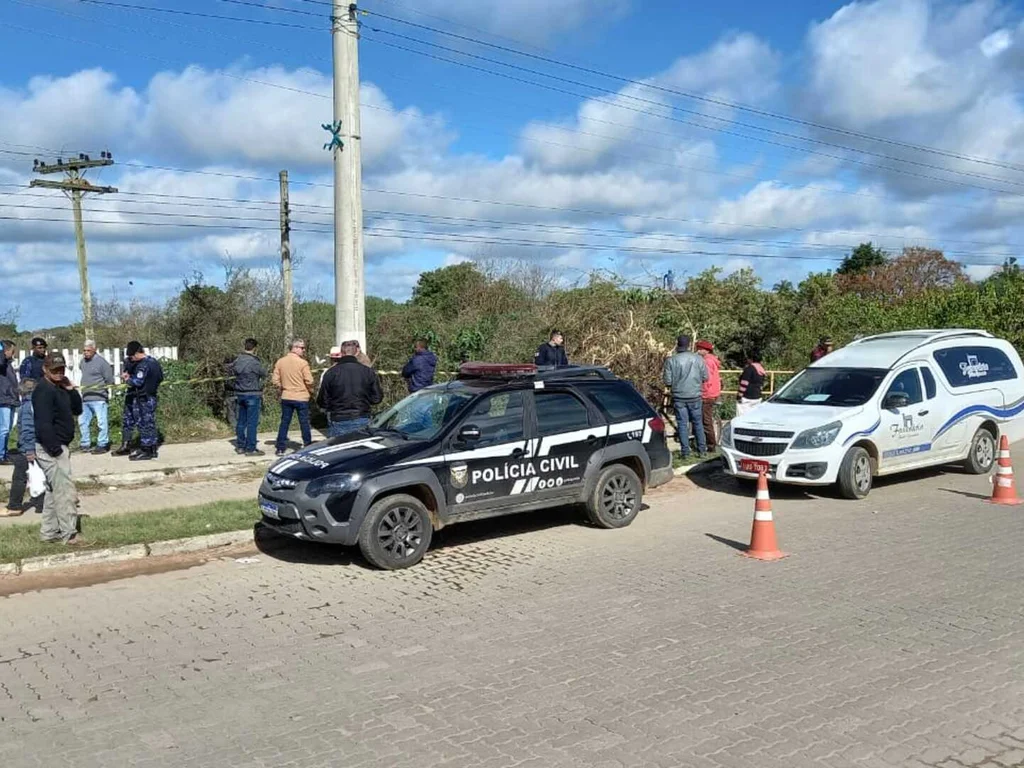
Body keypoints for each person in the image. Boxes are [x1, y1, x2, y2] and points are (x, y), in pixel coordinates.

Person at [32, 351, 84, 545]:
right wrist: (56, 450)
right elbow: (43, 424)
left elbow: (77, 409)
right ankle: (69, 534)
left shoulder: (60, 387)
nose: (59, 372)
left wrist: (71, 389)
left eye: (61, 369)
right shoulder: (43, 391)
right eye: (54, 369)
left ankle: (48, 533)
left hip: (60, 445)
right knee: (64, 492)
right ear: (45, 369)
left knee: (54, 491)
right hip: (50, 448)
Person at [316, 340, 383, 437]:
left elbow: (322, 401)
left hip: (338, 419)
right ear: (356, 352)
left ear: (342, 353)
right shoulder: (368, 372)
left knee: (340, 450)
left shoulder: (331, 373)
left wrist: (334, 406)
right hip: (361, 416)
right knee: (361, 451)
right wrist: (364, 401)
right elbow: (377, 398)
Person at [663, 335, 709, 459]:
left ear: (677, 344)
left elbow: (667, 381)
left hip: (679, 396)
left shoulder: (671, 360)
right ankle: (702, 450)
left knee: (682, 424)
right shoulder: (698, 359)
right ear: (689, 345)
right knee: (698, 423)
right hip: (695, 395)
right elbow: (705, 377)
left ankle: (685, 452)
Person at [2, 379, 41, 516]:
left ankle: (14, 506)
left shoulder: (27, 406)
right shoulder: (37, 403)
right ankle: (41, 503)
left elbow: (28, 429)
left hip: (29, 447)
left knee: (19, 476)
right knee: (40, 476)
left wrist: (28, 449)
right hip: (38, 445)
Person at [119, 341, 164, 461]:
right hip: (149, 395)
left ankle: (147, 449)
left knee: (145, 423)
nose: (131, 359)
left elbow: (137, 382)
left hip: (144, 398)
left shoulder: (144, 365)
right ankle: (150, 448)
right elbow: (160, 378)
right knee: (148, 423)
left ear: (138, 353)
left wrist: (127, 379)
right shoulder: (153, 362)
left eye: (132, 356)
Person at [272, 338, 314, 456]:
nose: (304, 350)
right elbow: (309, 380)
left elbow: (274, 379)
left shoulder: (280, 362)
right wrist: (310, 390)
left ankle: (280, 447)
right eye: (302, 347)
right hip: (301, 396)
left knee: (285, 422)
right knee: (304, 422)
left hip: (286, 396)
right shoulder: (303, 363)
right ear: (294, 348)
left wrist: (282, 386)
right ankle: (307, 444)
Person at [231, 338, 267, 456]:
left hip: (239, 394)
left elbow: (232, 372)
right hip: (252, 394)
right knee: (252, 423)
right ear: (255, 348)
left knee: (241, 421)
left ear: (244, 347)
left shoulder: (237, 360)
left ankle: (240, 446)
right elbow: (264, 373)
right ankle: (251, 448)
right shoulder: (254, 362)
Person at [78, 340, 115, 454]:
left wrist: (105, 390)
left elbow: (109, 379)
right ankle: (85, 443)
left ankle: (102, 444)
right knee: (83, 422)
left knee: (101, 423)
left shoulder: (102, 363)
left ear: (94, 350)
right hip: (86, 397)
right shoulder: (83, 362)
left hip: (99, 398)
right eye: (84, 350)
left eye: (88, 350)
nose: (85, 353)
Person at [695, 340, 721, 452]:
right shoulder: (712, 360)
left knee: (706, 420)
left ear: (705, 350)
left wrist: (701, 391)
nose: (697, 351)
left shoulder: (707, 361)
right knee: (706, 419)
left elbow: (706, 379)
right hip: (713, 392)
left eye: (699, 349)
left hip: (707, 394)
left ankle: (711, 445)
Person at [0, 339, 17, 465]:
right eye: (12, 351)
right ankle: (0, 456)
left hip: (10, 399)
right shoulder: (1, 363)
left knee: (8, 428)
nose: (13, 354)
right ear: (6, 351)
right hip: (3, 399)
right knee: (4, 429)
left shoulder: (8, 364)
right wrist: (1, 348)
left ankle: (4, 453)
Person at [736, 351, 767, 416]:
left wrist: (739, 395)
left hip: (747, 397)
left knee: (742, 416)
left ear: (751, 359)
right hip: (757, 396)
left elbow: (744, 384)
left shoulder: (749, 369)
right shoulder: (761, 369)